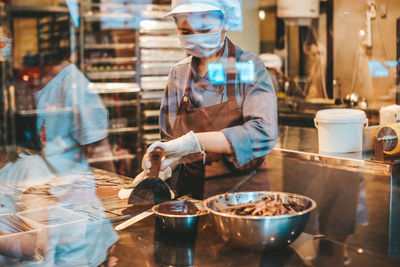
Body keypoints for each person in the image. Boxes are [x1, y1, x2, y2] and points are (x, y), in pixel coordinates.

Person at [130, 0, 278, 200]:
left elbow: (263, 134)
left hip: (242, 198)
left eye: (205, 29)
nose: (196, 38)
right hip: (191, 198)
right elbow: (171, 142)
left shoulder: (248, 67)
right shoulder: (178, 74)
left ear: (225, 22)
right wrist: (165, 165)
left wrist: (195, 142)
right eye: (186, 31)